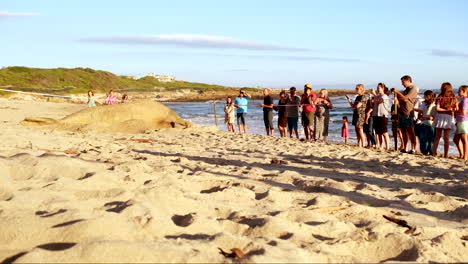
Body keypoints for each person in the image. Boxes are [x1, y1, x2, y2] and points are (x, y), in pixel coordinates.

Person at [391, 75, 418, 154]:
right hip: (402, 112)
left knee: (410, 131)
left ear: (408, 81)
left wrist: (397, 93)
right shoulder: (406, 89)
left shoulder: (413, 89)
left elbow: (406, 99)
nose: (402, 84)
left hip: (408, 112)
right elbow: (402, 97)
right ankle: (405, 147)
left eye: (403, 82)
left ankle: (413, 148)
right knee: (403, 131)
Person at [432, 82, 458, 158]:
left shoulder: (440, 96)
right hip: (448, 117)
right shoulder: (453, 97)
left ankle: (434, 153)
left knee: (438, 136)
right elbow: (456, 109)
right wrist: (449, 110)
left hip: (440, 116)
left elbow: (437, 108)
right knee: (445, 137)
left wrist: (445, 110)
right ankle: (445, 154)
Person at [415, 90, 436, 155]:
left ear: (430, 96)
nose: (424, 97)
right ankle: (425, 151)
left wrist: (424, 118)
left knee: (431, 138)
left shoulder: (435, 104)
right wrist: (421, 118)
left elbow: (434, 115)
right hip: (424, 122)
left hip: (432, 123)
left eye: (426, 96)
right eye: (424, 96)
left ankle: (431, 151)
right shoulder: (424, 103)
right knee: (423, 138)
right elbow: (419, 112)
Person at [371, 83, 391, 150]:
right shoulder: (377, 96)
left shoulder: (384, 96)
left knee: (384, 132)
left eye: (379, 88)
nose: (377, 89)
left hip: (383, 115)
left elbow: (379, 101)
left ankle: (387, 147)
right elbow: (373, 103)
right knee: (378, 132)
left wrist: (374, 95)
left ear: (383, 88)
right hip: (376, 115)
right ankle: (381, 145)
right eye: (377, 88)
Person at [454, 85, 468, 160]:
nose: (458, 92)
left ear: (464, 91)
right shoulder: (464, 100)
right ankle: (462, 154)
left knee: (464, 139)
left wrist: (456, 105)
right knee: (456, 139)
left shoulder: (465, 100)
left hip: (463, 121)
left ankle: (465, 156)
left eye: (459, 90)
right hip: (460, 121)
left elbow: (463, 112)